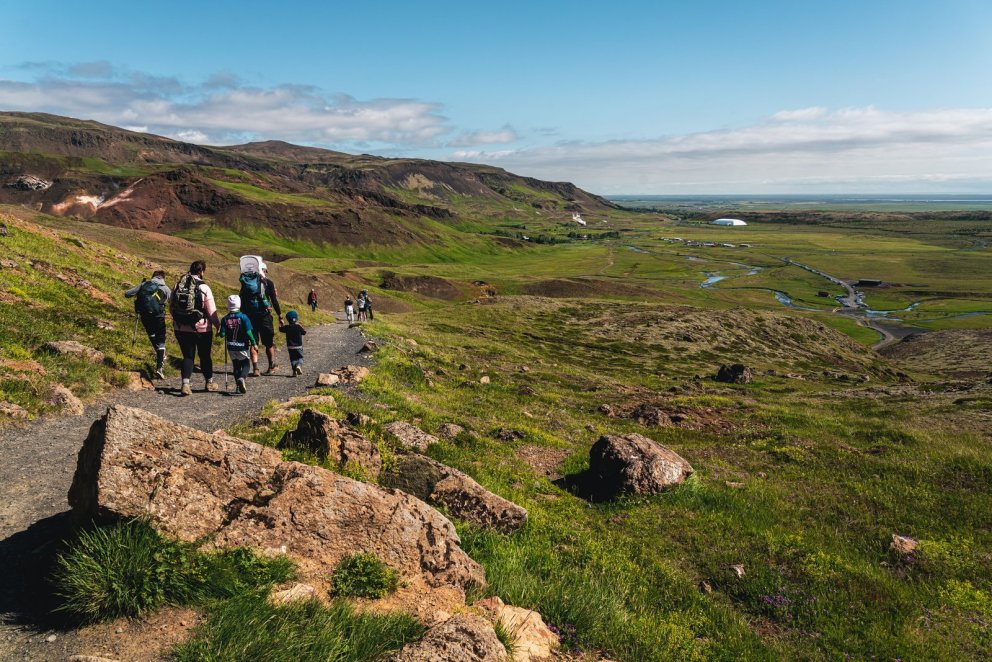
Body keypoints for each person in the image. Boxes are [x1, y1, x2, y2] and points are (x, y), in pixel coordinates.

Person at [170, 260, 220, 396]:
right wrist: (218, 326)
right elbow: (211, 311)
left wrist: (178, 320)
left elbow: (171, 306)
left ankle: (185, 384)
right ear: (201, 271)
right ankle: (209, 382)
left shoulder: (177, 285)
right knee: (204, 356)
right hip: (202, 329)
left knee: (187, 356)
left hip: (180, 328)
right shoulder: (204, 288)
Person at [124, 269, 171, 379]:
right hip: (159, 316)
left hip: (145, 315)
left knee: (151, 334)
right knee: (161, 340)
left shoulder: (144, 284)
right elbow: (173, 302)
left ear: (153, 276)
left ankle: (160, 353)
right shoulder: (166, 288)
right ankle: (159, 367)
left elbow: (127, 294)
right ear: (163, 278)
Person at [239, 261, 283, 376]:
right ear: (264, 270)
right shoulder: (268, 283)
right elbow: (274, 300)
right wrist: (280, 315)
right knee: (268, 343)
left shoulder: (246, 283)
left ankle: (255, 369)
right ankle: (271, 366)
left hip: (249, 316)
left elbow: (241, 299)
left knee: (253, 342)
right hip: (264, 316)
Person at [219, 294, 257, 394]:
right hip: (242, 346)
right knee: (246, 364)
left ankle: (237, 387)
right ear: (239, 304)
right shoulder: (244, 317)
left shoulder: (225, 319)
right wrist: (254, 343)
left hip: (231, 346)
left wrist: (220, 332)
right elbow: (249, 332)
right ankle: (242, 378)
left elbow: (222, 334)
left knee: (236, 366)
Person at [278, 310, 307, 376]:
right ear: (296, 319)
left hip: (290, 347)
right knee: (300, 357)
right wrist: (301, 325)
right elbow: (304, 332)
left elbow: (280, 329)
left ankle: (294, 372)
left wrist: (281, 323)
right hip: (298, 346)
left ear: (288, 319)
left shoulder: (287, 327)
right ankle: (299, 366)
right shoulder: (298, 327)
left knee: (293, 359)